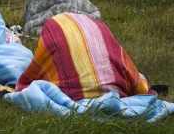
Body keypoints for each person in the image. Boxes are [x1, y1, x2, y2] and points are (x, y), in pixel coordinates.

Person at [15, 12, 156, 101]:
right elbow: (131, 73)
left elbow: (31, 76)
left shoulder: (53, 34)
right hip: (116, 91)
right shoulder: (106, 40)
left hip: (74, 96)